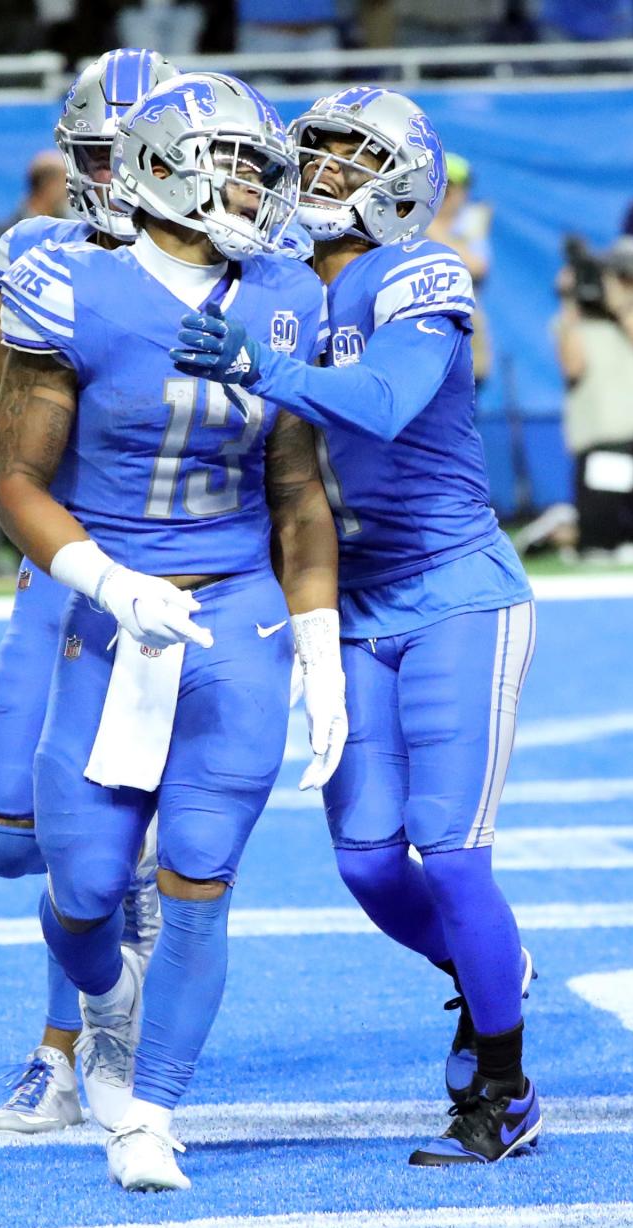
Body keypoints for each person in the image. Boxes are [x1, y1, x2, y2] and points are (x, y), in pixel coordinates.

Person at [171, 84, 540, 1167]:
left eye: (350, 155)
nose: (323, 170)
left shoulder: (418, 272)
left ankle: (503, 1083)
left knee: (454, 852)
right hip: (355, 602)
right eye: (315, 150)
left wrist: (263, 366)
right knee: (373, 861)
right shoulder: (273, 287)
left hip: (459, 590)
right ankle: (492, 973)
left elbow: (381, 400)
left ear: (402, 180)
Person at [0, 71, 347, 1191]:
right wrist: (104, 580)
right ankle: (101, 1001)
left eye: (259, 167)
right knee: (85, 883)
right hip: (110, 612)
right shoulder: (72, 289)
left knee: (200, 863)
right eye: (233, 165)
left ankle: (151, 1112)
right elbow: (17, 481)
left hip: (234, 611)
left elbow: (297, 494)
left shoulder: (286, 293)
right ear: (159, 171)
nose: (255, 188)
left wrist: (322, 653)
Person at [0, 48, 180, 1136]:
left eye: (137, 152)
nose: (119, 175)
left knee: (79, 842)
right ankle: (127, 892)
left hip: (171, 585)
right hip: (54, 572)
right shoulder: (39, 256)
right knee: (5, 837)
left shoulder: (239, 270)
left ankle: (64, 1051)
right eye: (101, 153)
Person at [552, 234, 633, 556]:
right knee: (599, 545)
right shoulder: (575, 324)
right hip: (604, 446)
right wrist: (571, 302)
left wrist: (620, 308)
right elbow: (573, 369)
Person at [426, 153, 492, 386]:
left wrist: (429, 227)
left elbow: (477, 266)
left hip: (464, 338)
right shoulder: (410, 223)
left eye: (452, 187)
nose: (447, 194)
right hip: (423, 339)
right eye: (441, 185)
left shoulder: (471, 225)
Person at [5, 151, 71, 228]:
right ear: (49, 185)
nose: (69, 190)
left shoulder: (68, 229)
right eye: (66, 182)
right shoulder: (7, 233)